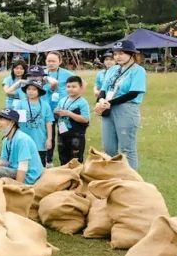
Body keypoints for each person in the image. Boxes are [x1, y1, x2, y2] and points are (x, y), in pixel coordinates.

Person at [96, 40, 146, 170]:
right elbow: (103, 89)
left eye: (121, 53)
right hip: (108, 109)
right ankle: (113, 176)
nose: (118, 57)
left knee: (127, 148)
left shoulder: (138, 70)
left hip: (126, 109)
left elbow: (133, 93)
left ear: (131, 54)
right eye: (115, 54)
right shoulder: (113, 69)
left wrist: (109, 103)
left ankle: (131, 180)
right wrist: (101, 100)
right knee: (108, 147)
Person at [0, 109, 44, 185]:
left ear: (12, 122)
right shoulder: (6, 140)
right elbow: (3, 163)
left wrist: (18, 187)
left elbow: (23, 168)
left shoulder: (22, 139)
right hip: (12, 170)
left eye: (1, 119)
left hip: (27, 176)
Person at [42, 51, 75, 165]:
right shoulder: (42, 73)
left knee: (63, 135)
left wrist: (75, 100)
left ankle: (65, 161)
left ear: (60, 61)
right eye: (48, 61)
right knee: (48, 136)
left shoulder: (67, 74)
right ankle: (48, 161)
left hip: (61, 110)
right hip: (46, 110)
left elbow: (82, 84)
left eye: (53, 61)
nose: (50, 63)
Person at [13, 77, 53, 166]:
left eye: (34, 89)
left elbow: (48, 123)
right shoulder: (21, 103)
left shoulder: (45, 105)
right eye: (29, 89)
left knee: (40, 164)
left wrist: (49, 139)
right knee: (23, 163)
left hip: (40, 140)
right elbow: (16, 122)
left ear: (39, 91)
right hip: (24, 139)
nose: (30, 91)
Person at [54, 75, 91, 164]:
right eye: (68, 87)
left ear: (81, 88)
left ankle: (76, 175)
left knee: (75, 158)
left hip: (76, 134)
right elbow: (57, 113)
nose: (70, 89)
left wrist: (69, 114)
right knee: (63, 156)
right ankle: (64, 175)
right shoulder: (62, 100)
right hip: (62, 133)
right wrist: (56, 111)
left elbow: (85, 119)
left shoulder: (82, 102)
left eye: (74, 87)